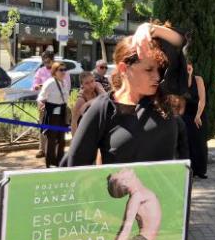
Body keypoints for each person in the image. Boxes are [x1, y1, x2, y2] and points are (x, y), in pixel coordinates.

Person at [61, 22, 188, 166]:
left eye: (158, 70)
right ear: (123, 69)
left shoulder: (162, 99)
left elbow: (181, 41)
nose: (157, 77)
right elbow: (76, 165)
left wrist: (152, 29)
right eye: (148, 70)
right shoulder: (103, 110)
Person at [83, 169, 161, 240]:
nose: (123, 169)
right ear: (125, 181)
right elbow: (126, 228)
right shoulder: (137, 197)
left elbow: (121, 228)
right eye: (120, 172)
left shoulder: (138, 195)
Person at [32, 51, 71, 159]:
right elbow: (35, 84)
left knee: (59, 128)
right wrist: (37, 86)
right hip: (44, 104)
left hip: (59, 104)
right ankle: (42, 149)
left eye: (48, 61)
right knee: (44, 127)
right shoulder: (40, 71)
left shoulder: (63, 71)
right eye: (44, 61)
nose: (46, 63)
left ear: (53, 60)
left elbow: (67, 88)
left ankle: (57, 151)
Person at [181, 61, 208, 178]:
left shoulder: (198, 79)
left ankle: (200, 170)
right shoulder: (180, 81)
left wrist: (198, 115)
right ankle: (188, 170)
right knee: (187, 143)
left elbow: (202, 99)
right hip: (184, 114)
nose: (188, 67)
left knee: (199, 143)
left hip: (198, 114)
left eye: (189, 65)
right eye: (185, 65)